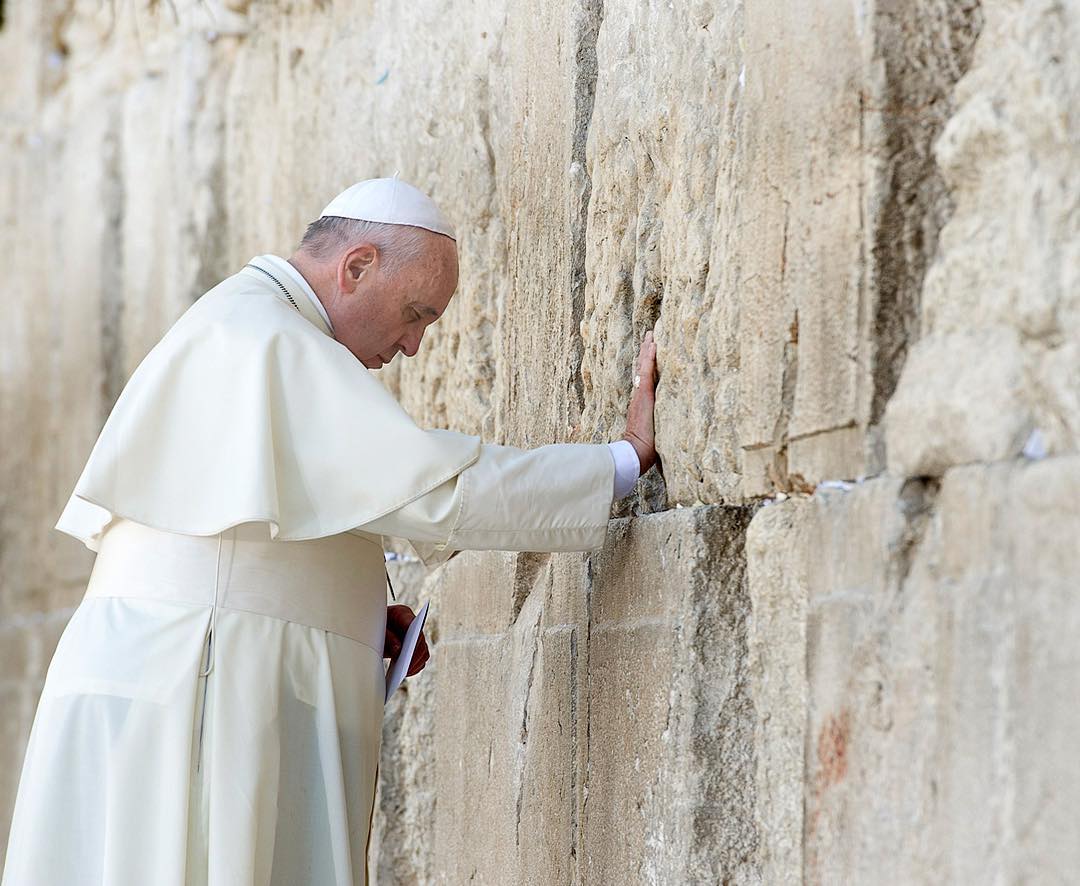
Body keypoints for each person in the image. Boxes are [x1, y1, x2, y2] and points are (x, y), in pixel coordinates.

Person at [0, 177, 659, 886]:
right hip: (199, 685)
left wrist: (343, 603)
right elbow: (436, 489)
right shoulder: (270, 337)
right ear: (356, 267)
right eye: (414, 314)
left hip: (183, 669)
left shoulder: (248, 323)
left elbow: (253, 529)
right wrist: (620, 462)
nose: (412, 345)